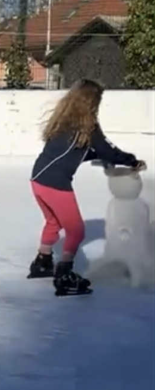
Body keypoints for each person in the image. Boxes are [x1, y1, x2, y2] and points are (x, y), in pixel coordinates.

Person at [29, 79, 146, 295]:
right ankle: (64, 275)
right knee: (76, 231)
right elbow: (108, 150)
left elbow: (68, 152)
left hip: (37, 179)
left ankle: (42, 261)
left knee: (53, 222)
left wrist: (93, 154)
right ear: (91, 102)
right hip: (55, 184)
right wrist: (131, 161)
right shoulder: (88, 126)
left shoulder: (63, 120)